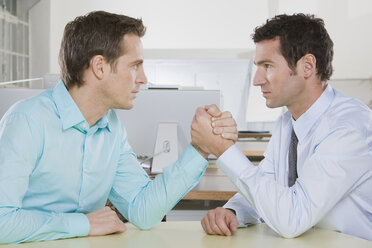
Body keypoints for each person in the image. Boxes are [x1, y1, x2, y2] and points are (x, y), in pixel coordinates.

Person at [0, 11, 237, 244]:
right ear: (100, 67)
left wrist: (200, 149)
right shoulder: (27, 120)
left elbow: (142, 210)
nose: (143, 78)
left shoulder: (111, 127)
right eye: (135, 66)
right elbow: (2, 221)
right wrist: (85, 224)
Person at [191, 13, 372, 240]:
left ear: (307, 66)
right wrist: (233, 211)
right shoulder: (287, 123)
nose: (257, 79)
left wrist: (222, 149)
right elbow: (268, 186)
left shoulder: (348, 127)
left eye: (267, 66)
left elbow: (292, 218)